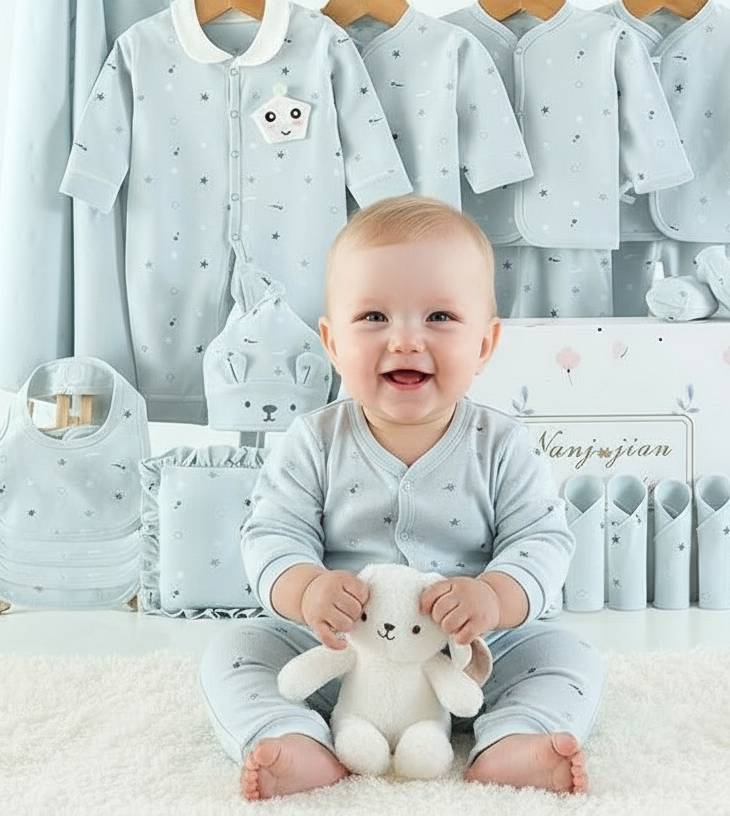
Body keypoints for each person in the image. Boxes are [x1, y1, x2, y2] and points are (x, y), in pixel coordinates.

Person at [199, 195, 603, 800]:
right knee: (237, 649)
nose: (407, 341)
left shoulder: (503, 445)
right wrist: (308, 588)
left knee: (565, 652)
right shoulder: (313, 441)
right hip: (342, 658)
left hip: (469, 659)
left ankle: (517, 735)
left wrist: (492, 598)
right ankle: (291, 735)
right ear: (332, 343)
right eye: (373, 318)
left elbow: (541, 540)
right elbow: (271, 535)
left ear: (485, 344)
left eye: (439, 317)